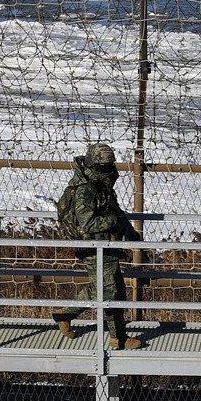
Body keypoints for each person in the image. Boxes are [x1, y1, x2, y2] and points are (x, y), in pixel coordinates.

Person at [55, 141, 142, 350]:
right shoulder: (87, 189)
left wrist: (130, 234)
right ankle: (117, 337)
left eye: (110, 166)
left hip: (105, 246)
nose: (108, 170)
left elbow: (115, 212)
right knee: (110, 291)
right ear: (94, 165)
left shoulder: (100, 185)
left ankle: (65, 314)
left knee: (107, 289)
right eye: (104, 166)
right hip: (95, 247)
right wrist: (112, 222)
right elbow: (88, 222)